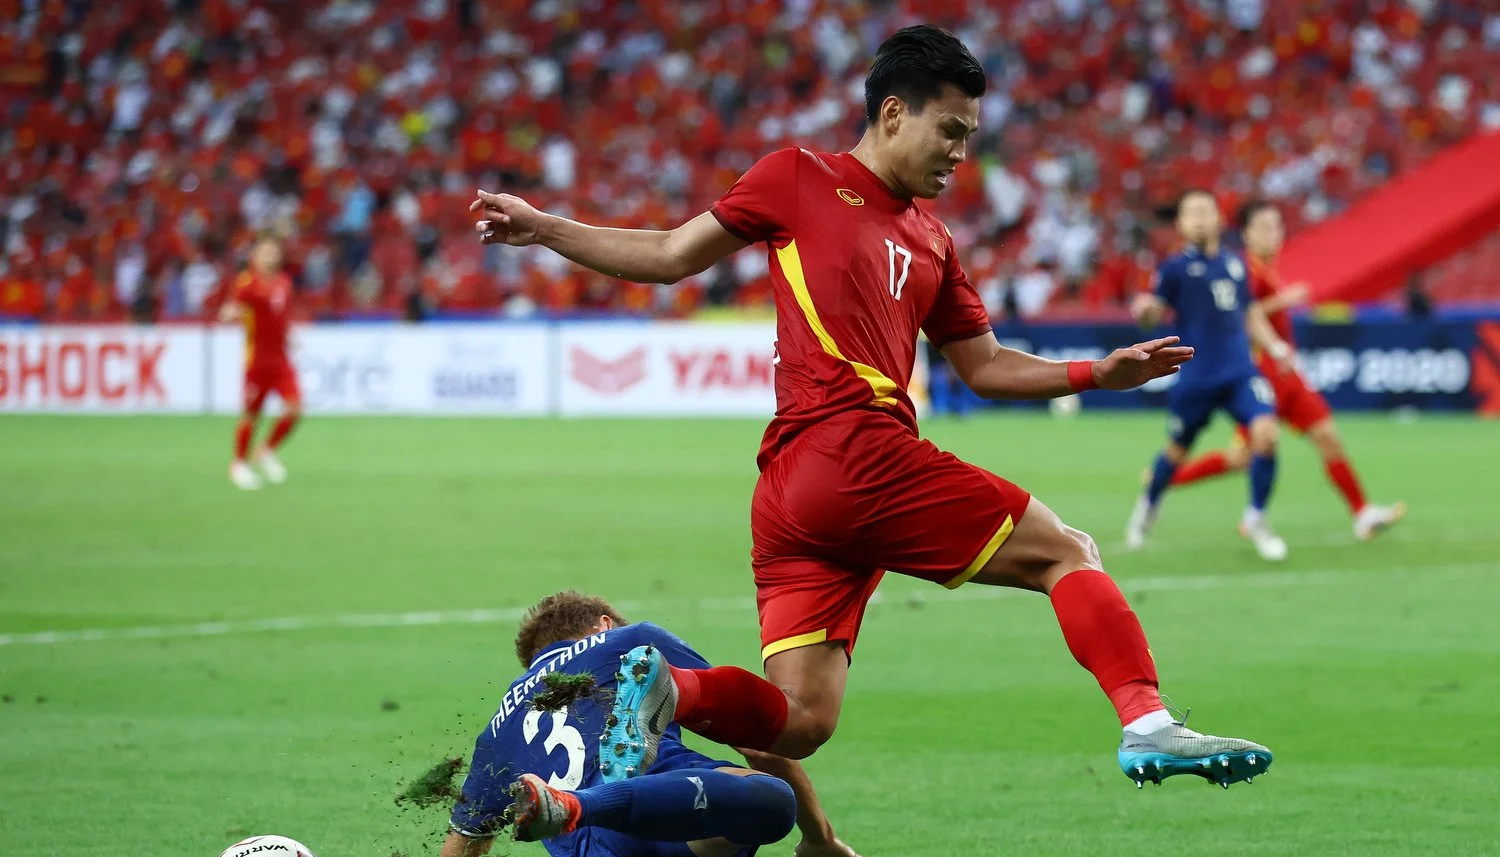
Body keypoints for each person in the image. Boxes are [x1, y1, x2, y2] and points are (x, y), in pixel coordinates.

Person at [470, 26, 1272, 791]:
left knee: (804, 720)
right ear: (893, 113)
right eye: (950, 130)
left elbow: (983, 366)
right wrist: (546, 229)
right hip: (855, 452)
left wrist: (1095, 372)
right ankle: (1147, 721)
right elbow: (672, 254)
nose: (961, 154)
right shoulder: (796, 177)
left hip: (790, 495)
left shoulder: (934, 239)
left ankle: (668, 691)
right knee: (1068, 551)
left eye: (970, 136)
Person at [433, 591, 900, 857]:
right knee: (774, 801)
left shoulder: (497, 730)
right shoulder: (626, 642)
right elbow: (759, 743)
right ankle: (582, 808)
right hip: (671, 811)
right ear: (603, 624)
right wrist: (817, 832)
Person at [1166, 202, 1406, 541]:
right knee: (1246, 456)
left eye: (1276, 227)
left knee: (1328, 437)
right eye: (1264, 227)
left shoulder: (1266, 269)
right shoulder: (1240, 270)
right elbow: (1237, 317)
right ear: (1246, 234)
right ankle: (1167, 480)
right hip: (1259, 371)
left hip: (1285, 371)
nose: (1272, 234)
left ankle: (1362, 514)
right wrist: (1285, 300)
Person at [1124, 190, 1291, 561]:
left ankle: (1257, 520)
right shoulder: (1173, 268)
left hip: (1239, 373)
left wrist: (1275, 346)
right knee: (1176, 452)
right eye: (1191, 213)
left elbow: (1248, 314)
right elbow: (1153, 312)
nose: (1199, 218)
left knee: (1266, 436)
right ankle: (1148, 505)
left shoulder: (1235, 265)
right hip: (1197, 377)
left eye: (1205, 211)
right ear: (1181, 224)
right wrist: (1145, 311)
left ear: (1218, 219)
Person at [218, 235, 300, 490]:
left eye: (273, 251)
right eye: (265, 251)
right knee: (251, 415)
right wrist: (231, 313)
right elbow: (230, 309)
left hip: (281, 360)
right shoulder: (247, 283)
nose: (270, 256)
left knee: (295, 408)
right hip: (257, 362)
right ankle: (239, 464)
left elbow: (282, 317)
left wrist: (290, 335)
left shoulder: (284, 283)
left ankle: (265, 451)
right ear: (255, 256)